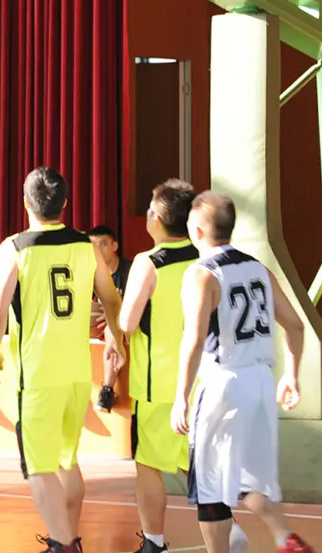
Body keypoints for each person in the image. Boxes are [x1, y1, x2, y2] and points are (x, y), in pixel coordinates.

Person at [0, 166, 126, 553]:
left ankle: (64, 543)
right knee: (67, 461)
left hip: (37, 373)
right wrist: (116, 338)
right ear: (65, 203)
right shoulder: (86, 246)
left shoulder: (15, 247)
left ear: (25, 202)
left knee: (38, 465)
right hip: (77, 371)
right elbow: (111, 299)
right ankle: (67, 538)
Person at [171, 192, 314, 553]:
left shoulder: (202, 274)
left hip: (224, 382)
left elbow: (194, 340)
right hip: (261, 382)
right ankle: (284, 537)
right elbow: (296, 325)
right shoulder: (259, 269)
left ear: (197, 230)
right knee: (248, 476)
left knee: (209, 485)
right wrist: (291, 375)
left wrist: (181, 397)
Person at [117, 180, 200, 553]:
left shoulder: (148, 262)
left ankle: (153, 542)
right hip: (201, 379)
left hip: (158, 383)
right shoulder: (205, 257)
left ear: (160, 219)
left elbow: (128, 322)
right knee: (200, 463)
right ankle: (228, 530)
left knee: (148, 463)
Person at [89, 225, 132, 412]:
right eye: (94, 245)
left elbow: (138, 305)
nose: (98, 250)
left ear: (115, 246)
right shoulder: (89, 272)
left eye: (103, 244)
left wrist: (113, 318)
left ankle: (107, 389)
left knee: (111, 329)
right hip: (97, 328)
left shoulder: (130, 270)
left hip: (126, 326)